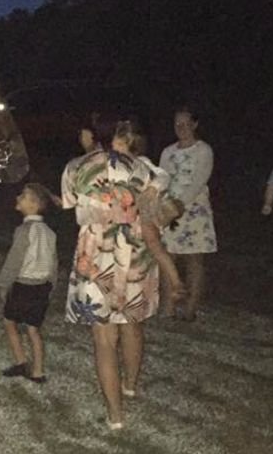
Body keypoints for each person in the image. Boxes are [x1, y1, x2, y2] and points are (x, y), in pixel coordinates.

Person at [61, 116, 161, 430]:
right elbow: (153, 206)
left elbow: (70, 203)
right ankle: (129, 385)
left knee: (104, 339)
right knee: (132, 324)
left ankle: (116, 416)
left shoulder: (76, 167)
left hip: (95, 255)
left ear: (92, 135)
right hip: (134, 252)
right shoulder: (141, 168)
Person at [113, 121, 187, 307]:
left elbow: (163, 176)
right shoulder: (114, 165)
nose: (115, 147)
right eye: (116, 142)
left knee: (154, 244)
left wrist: (153, 187)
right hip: (128, 214)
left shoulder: (142, 162)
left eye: (120, 143)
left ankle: (176, 281)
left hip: (145, 210)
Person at [159, 106, 217, 321]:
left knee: (194, 260)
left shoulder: (204, 150)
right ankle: (168, 307)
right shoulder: (168, 152)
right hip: (169, 210)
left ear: (194, 124)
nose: (181, 128)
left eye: (185, 124)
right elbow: (162, 179)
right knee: (167, 257)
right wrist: (164, 206)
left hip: (194, 209)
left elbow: (199, 180)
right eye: (177, 124)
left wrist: (179, 204)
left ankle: (190, 309)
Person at [0, 183, 57, 383]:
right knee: (33, 329)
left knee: (9, 322)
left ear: (34, 205)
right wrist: (51, 285)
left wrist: (4, 284)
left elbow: (14, 260)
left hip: (23, 285)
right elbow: (54, 262)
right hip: (42, 287)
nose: (18, 198)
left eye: (23, 196)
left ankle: (21, 362)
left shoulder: (23, 230)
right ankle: (38, 372)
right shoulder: (50, 232)